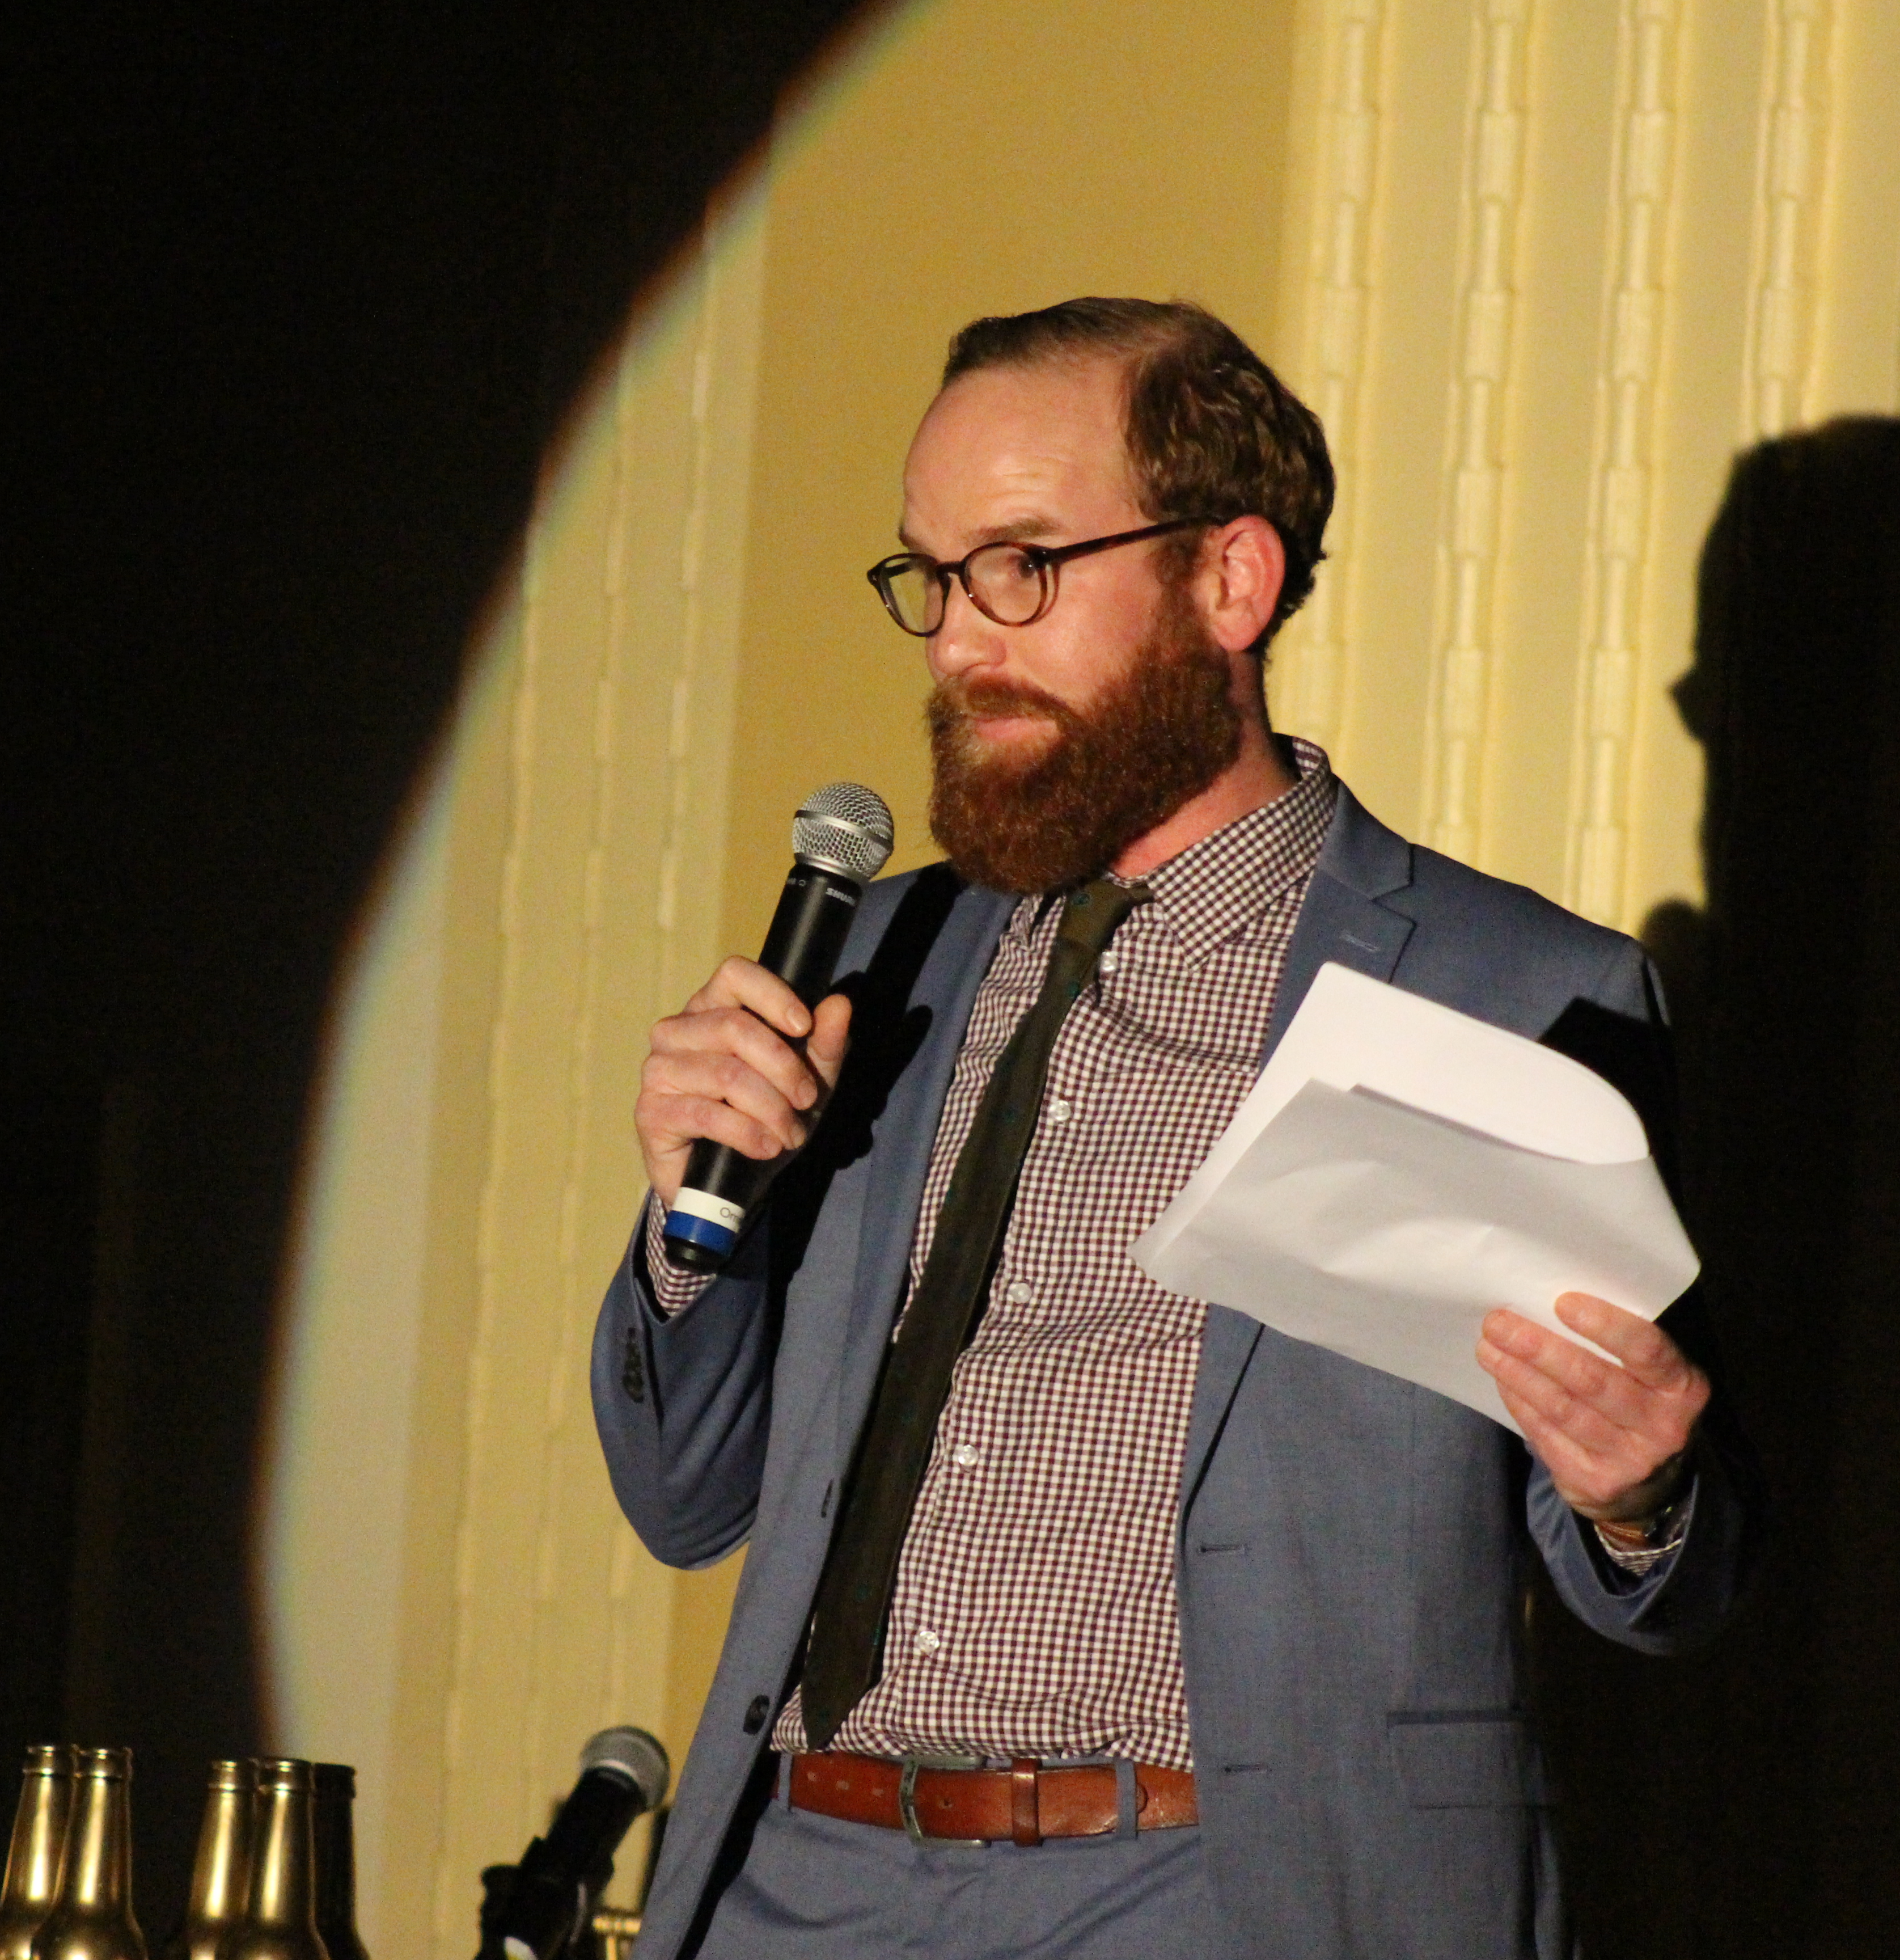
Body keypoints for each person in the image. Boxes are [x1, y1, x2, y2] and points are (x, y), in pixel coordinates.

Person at [590, 298, 1755, 1958]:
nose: (959, 640)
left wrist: (1642, 1490)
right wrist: (689, 1224)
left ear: (1230, 580)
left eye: (1025, 566)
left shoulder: (1510, 991)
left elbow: (1665, 1577)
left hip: (1221, 1890)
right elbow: (683, 1500)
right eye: (932, 576)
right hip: (803, 1874)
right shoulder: (873, 955)